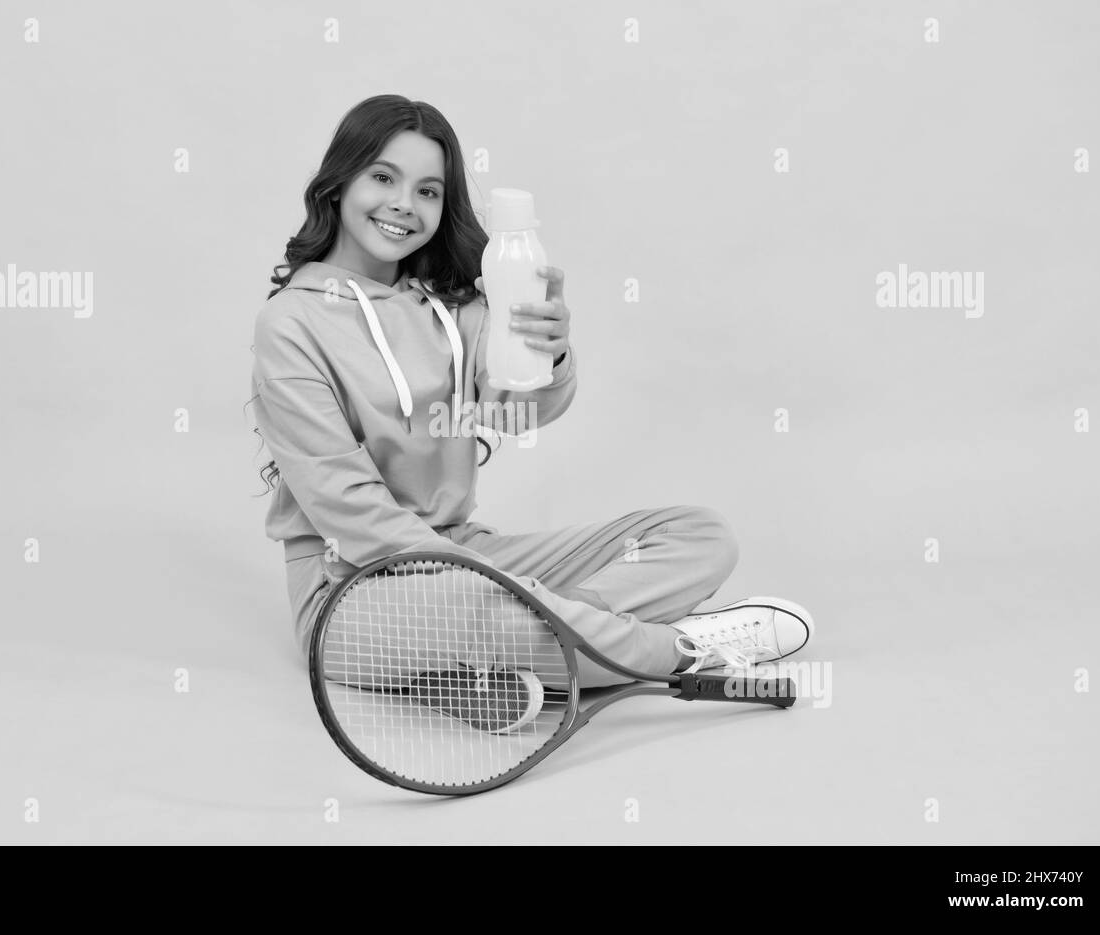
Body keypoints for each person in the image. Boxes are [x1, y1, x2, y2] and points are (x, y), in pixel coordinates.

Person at [246, 94, 815, 731]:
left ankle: (504, 661)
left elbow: (520, 411)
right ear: (339, 182)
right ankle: (682, 648)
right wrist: (501, 587)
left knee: (699, 535)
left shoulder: (449, 307)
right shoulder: (290, 324)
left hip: (461, 554)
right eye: (383, 177)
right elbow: (350, 509)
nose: (404, 203)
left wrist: (550, 350)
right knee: (487, 609)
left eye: (429, 190)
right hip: (349, 590)